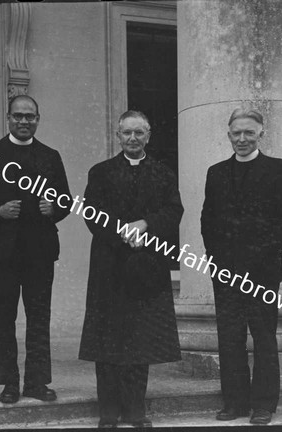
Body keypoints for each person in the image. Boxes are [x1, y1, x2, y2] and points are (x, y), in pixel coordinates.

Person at [200, 107, 282, 425]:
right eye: (236, 133)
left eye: (249, 132)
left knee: (263, 334)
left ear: (261, 133)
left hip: (263, 269)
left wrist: (262, 251)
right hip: (225, 270)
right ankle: (235, 403)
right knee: (229, 336)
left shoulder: (279, 169)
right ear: (228, 134)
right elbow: (208, 219)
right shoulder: (216, 172)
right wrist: (216, 257)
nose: (242, 139)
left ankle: (263, 404)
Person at [79, 110, 183, 428]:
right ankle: (108, 411)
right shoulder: (101, 172)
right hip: (109, 265)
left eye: (139, 133)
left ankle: (136, 409)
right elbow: (91, 213)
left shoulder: (163, 174)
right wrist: (123, 233)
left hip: (147, 266)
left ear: (148, 136)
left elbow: (174, 210)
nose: (133, 139)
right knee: (107, 341)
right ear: (118, 136)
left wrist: (145, 225)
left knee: (141, 341)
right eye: (127, 133)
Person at [0, 95, 71, 404]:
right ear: (8, 118)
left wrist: (54, 208)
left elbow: (66, 200)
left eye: (30, 116)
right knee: (3, 318)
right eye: (18, 116)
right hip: (3, 251)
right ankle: (9, 383)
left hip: (39, 250)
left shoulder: (51, 156)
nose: (24, 121)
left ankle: (37, 383)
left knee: (38, 318)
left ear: (38, 119)